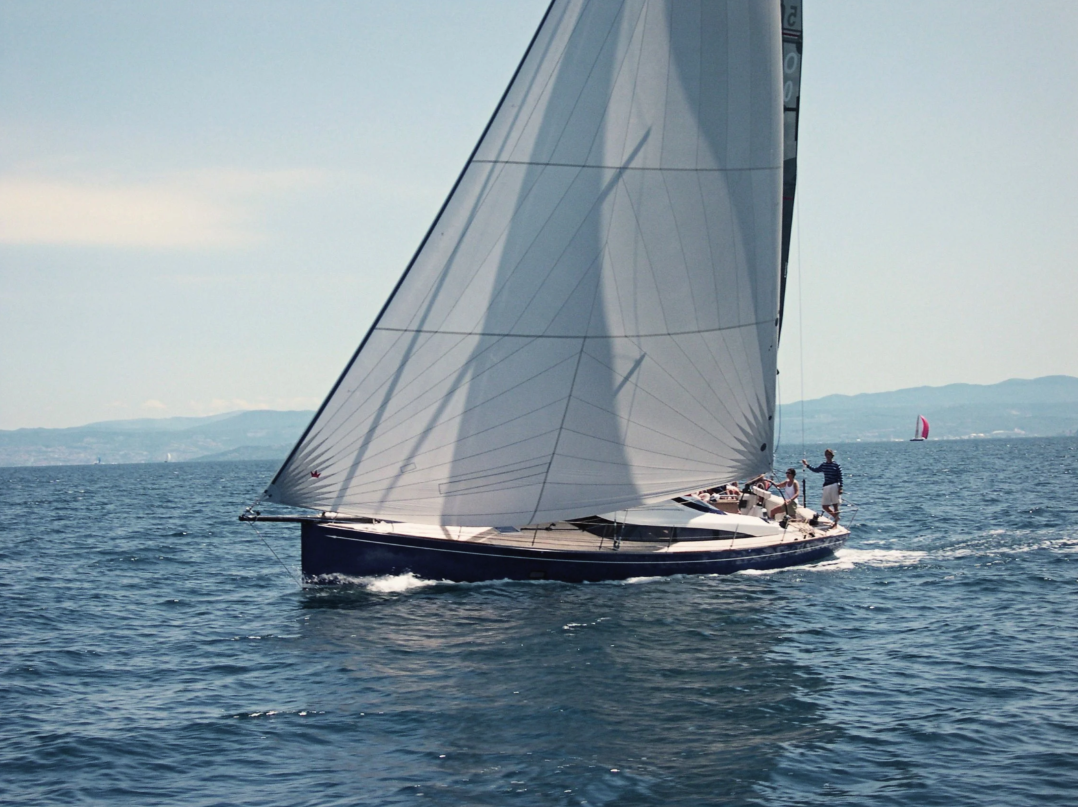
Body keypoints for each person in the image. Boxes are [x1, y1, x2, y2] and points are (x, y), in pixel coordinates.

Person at [803, 449, 843, 525]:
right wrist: (807, 465)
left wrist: (840, 487)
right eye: (826, 455)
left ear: (832, 456)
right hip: (826, 486)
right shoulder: (824, 465)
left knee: (835, 505)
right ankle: (835, 516)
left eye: (829, 455)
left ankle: (836, 523)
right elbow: (816, 470)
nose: (828, 456)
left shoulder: (836, 465)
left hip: (834, 485)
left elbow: (840, 477)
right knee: (824, 506)